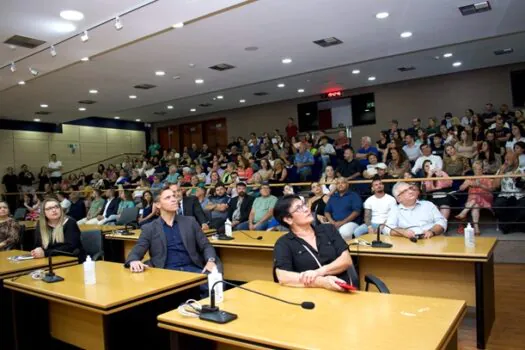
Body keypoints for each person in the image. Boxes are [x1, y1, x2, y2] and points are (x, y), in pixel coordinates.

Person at [125, 188, 221, 295]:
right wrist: (133, 260)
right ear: (158, 204)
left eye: (174, 196)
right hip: (166, 274)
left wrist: (211, 261)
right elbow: (137, 251)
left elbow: (206, 245)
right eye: (168, 197)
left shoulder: (190, 221)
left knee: (214, 286)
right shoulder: (150, 228)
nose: (174, 199)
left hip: (193, 271)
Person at [272, 195, 354, 291]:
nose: (307, 209)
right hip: (310, 295)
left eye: (304, 205)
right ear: (288, 219)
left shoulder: (328, 229)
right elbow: (283, 277)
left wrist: (318, 272)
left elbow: (346, 260)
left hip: (342, 289)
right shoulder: (283, 243)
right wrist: (321, 282)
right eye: (299, 208)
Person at [456, 161, 493, 235]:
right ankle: (476, 228)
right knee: (475, 205)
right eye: (475, 169)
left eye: (479, 169)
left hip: (485, 197)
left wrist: (480, 185)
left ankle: (464, 212)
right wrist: (466, 184)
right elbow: (461, 189)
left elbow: (491, 189)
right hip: (473, 201)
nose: (477, 171)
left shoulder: (487, 178)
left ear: (482, 169)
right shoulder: (470, 178)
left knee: (475, 196)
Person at [493, 152, 525, 234]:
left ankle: (511, 226)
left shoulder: (523, 169)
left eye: (508, 159)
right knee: (498, 205)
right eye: (505, 159)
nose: (506, 161)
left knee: (521, 206)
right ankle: (509, 226)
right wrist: (501, 172)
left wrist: (518, 179)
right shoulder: (502, 169)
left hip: (520, 195)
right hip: (504, 195)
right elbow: (495, 186)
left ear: (515, 160)